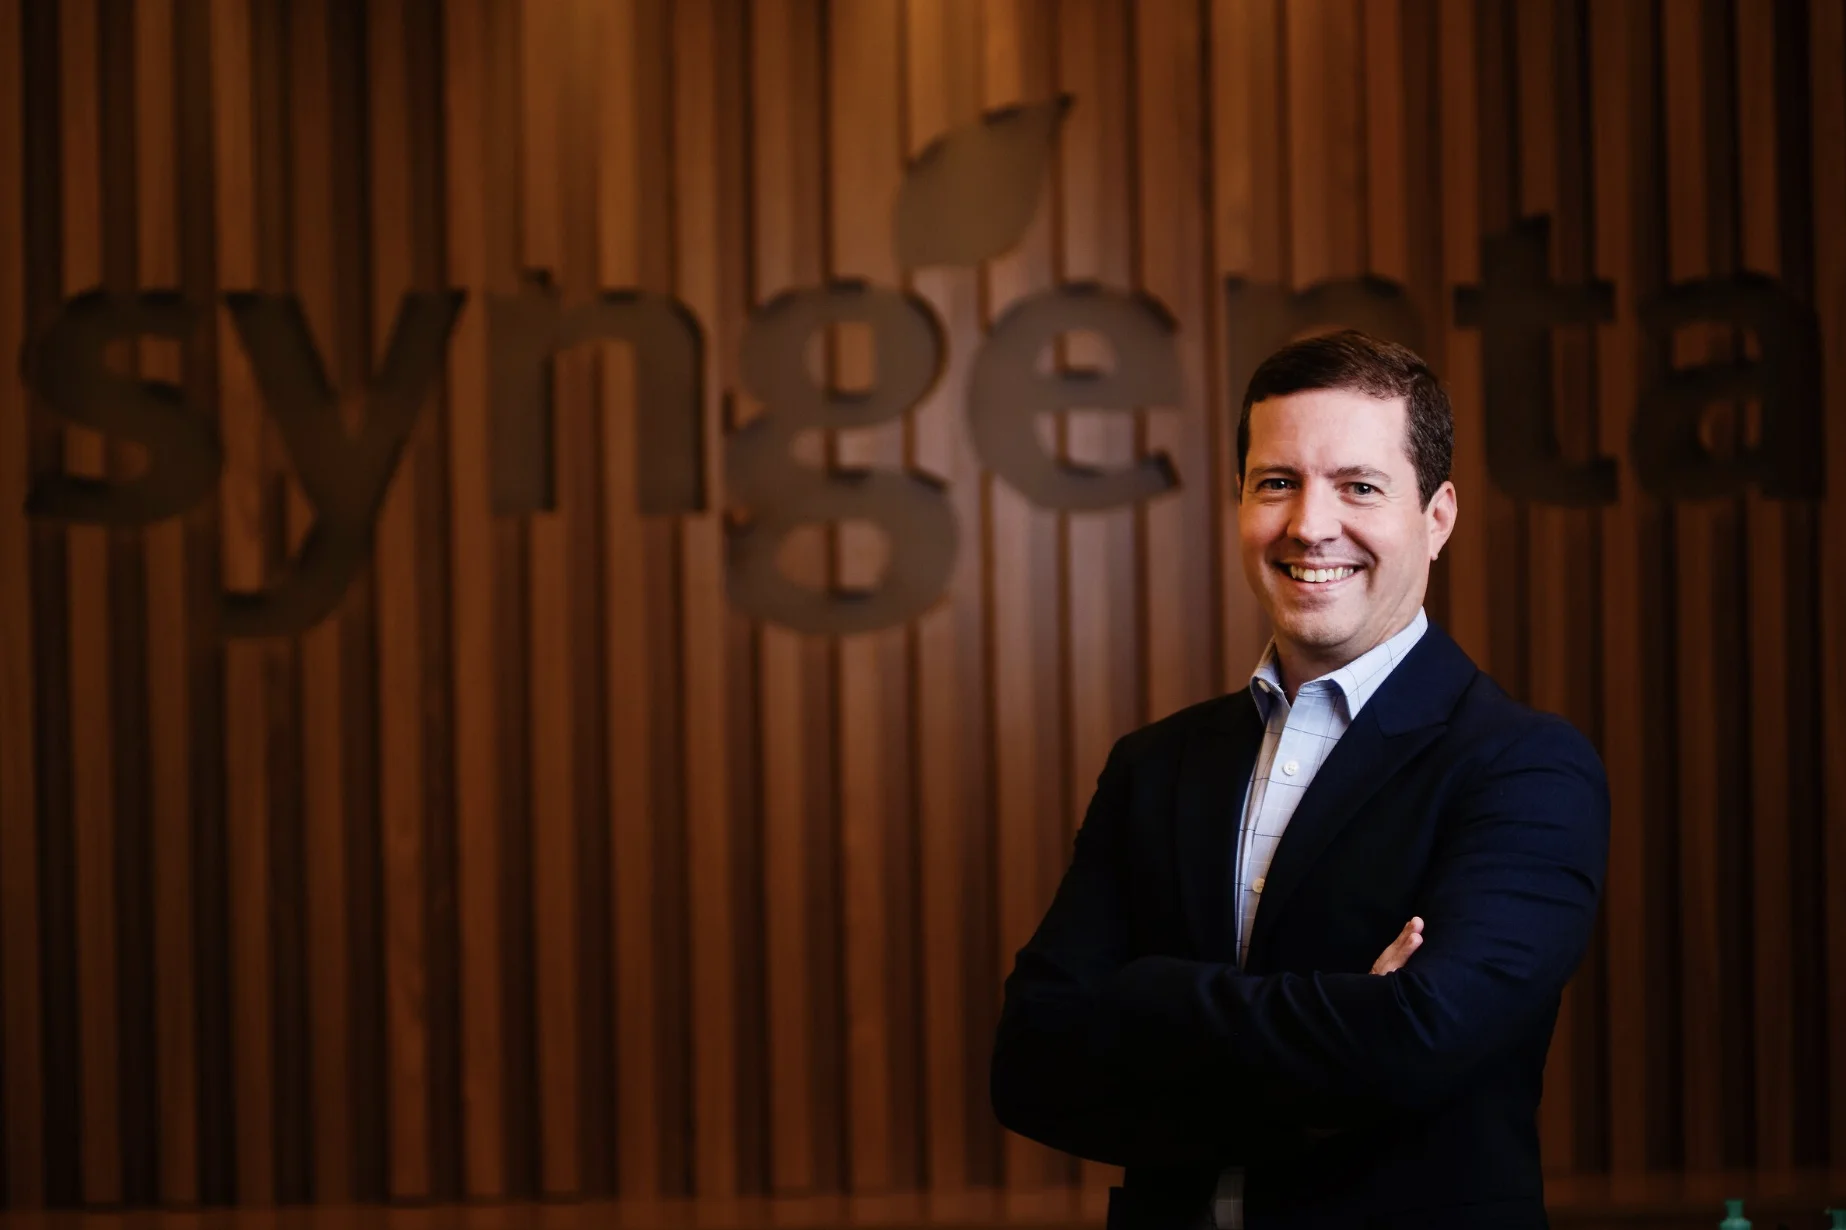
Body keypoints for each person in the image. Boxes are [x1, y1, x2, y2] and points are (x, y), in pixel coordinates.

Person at [989, 330, 1609, 1230]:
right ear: (1240, 502)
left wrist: (1146, 996)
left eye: (1360, 487)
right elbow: (1030, 1063)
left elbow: (1421, 1040)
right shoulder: (1154, 766)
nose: (1310, 525)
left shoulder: (1525, 768)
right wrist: (1342, 1048)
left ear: (1437, 517)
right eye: (1277, 482)